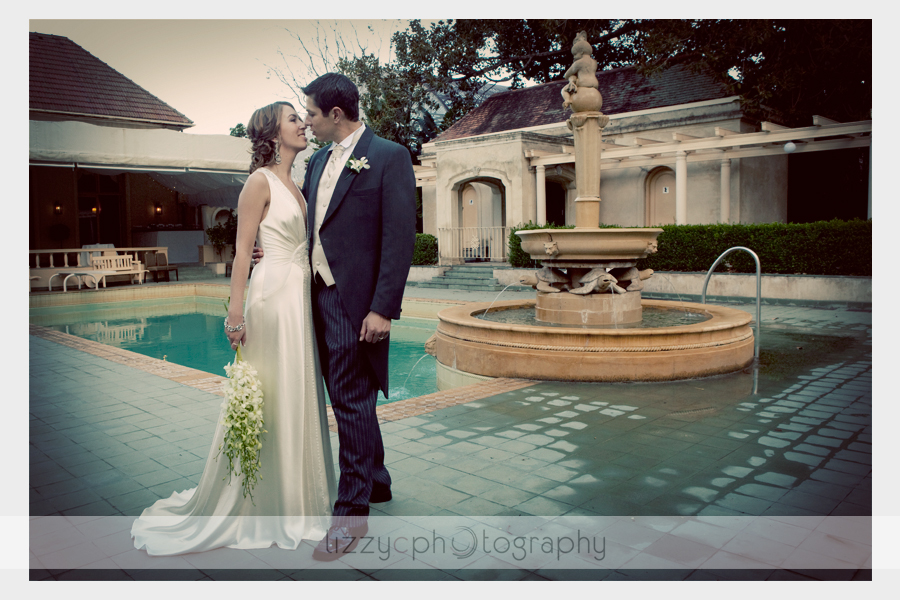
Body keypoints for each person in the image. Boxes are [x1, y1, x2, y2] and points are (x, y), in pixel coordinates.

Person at [131, 102, 337, 555]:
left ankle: (299, 495)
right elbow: (243, 253)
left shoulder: (298, 184)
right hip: (272, 300)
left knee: (295, 391)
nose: (303, 124)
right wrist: (235, 313)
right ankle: (261, 501)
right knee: (270, 394)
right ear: (271, 131)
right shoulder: (258, 182)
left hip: (298, 297)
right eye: (292, 119)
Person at [290, 72, 416, 560]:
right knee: (353, 395)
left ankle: (351, 515)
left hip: (357, 304)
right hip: (314, 297)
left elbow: (399, 238)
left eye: (313, 114)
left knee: (349, 400)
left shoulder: (389, 156)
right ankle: (377, 481)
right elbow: (313, 228)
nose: (308, 122)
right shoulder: (317, 161)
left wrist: (383, 308)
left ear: (336, 114)